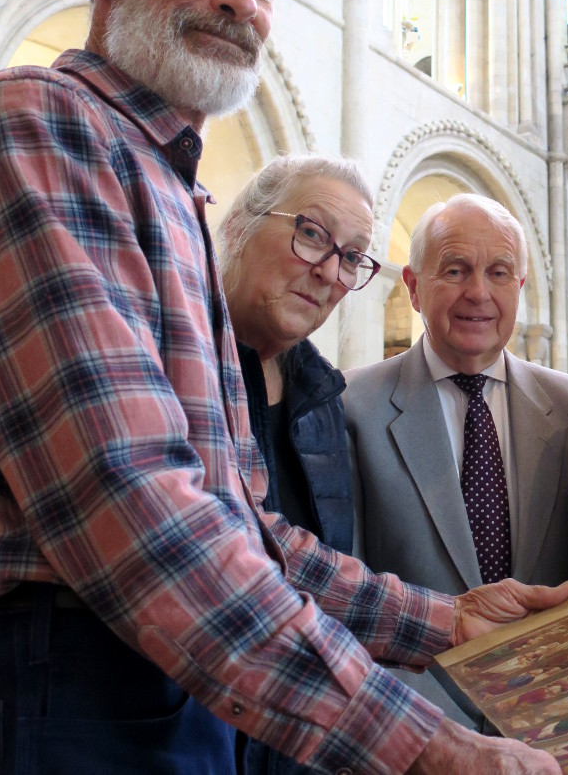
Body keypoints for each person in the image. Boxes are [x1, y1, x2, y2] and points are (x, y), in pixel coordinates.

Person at [0, 0, 568, 772]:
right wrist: (420, 745)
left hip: (182, 677)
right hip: (73, 681)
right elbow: (134, 505)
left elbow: (249, 530)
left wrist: (445, 618)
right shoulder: (42, 123)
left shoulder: (172, 188)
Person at [344, 193, 568, 728]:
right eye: (455, 270)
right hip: (411, 725)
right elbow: (346, 588)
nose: (479, 293)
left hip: (557, 725)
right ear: (412, 286)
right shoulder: (348, 407)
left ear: (519, 288)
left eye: (499, 273)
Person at [217, 153, 372, 773]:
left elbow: (327, 570)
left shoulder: (325, 396)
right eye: (312, 234)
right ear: (237, 227)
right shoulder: (176, 357)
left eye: (353, 257)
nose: (331, 272)